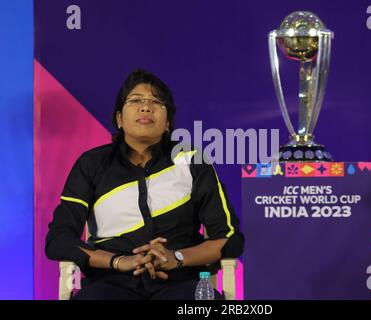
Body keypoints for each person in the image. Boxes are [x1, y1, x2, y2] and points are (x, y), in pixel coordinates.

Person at [45, 69, 244, 300]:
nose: (146, 107)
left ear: (168, 121)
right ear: (119, 117)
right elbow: (59, 239)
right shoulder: (91, 164)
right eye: (136, 100)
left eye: (156, 102)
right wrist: (119, 262)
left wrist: (176, 257)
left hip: (180, 283)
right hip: (109, 283)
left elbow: (229, 238)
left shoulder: (192, 161)